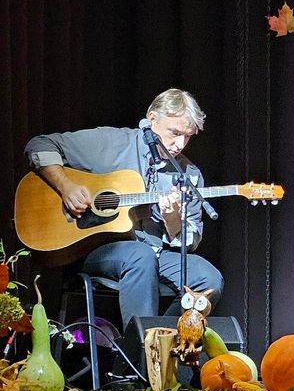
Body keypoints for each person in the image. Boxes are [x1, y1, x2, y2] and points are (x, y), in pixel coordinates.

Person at [24, 89, 224, 326]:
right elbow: (39, 145)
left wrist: (173, 219)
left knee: (208, 278)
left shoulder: (187, 175)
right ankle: (141, 352)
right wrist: (66, 187)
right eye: (175, 132)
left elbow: (190, 243)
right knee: (141, 256)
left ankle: (159, 341)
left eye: (187, 136)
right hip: (98, 248)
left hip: (156, 253)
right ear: (152, 119)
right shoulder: (112, 144)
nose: (179, 144)